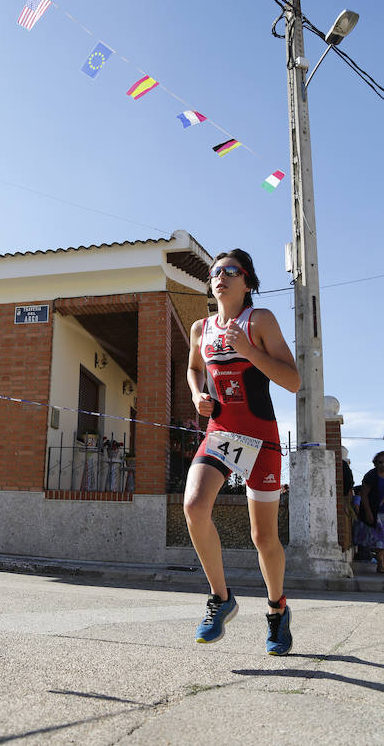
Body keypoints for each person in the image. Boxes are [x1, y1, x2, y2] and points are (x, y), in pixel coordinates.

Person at [185, 249, 301, 655]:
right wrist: (197, 393)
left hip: (262, 437)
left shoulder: (260, 320)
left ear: (247, 281)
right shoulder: (200, 328)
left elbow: (293, 380)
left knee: (263, 536)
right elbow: (194, 369)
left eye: (231, 271)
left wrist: (250, 352)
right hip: (221, 432)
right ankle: (221, 598)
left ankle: (276, 610)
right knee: (195, 506)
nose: (221, 277)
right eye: (216, 272)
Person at [353, 451, 384, 572]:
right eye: (380, 462)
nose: (382, 465)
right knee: (379, 540)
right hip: (375, 512)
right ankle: (381, 564)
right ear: (376, 463)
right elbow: (364, 495)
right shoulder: (371, 475)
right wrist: (368, 512)